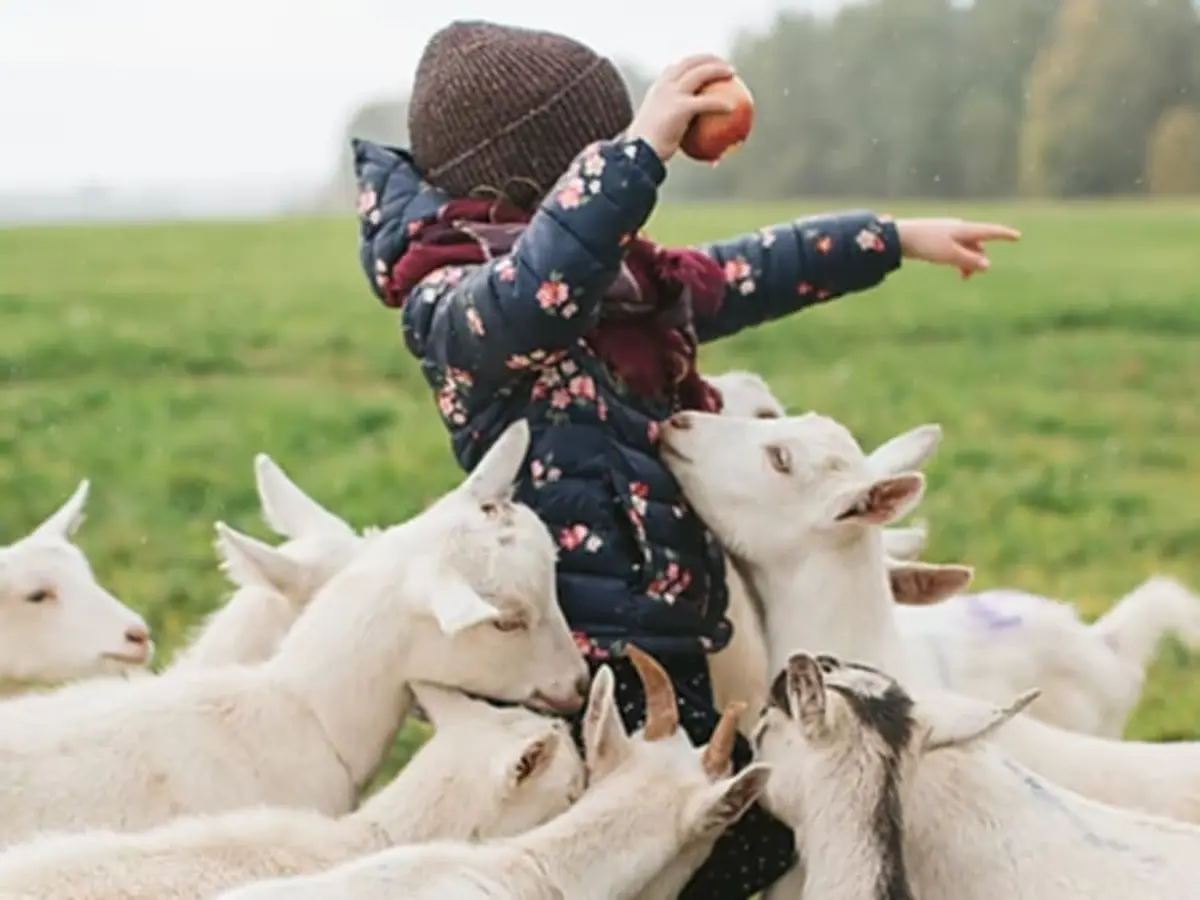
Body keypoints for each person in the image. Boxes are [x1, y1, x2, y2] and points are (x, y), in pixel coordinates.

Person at [352, 19, 1019, 897]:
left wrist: (889, 237)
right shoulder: (458, 301)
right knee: (641, 858)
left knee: (743, 842)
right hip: (574, 657)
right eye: (596, 156)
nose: (630, 194)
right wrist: (634, 156)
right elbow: (536, 298)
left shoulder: (626, 280)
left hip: (674, 630)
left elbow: (748, 273)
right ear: (544, 178)